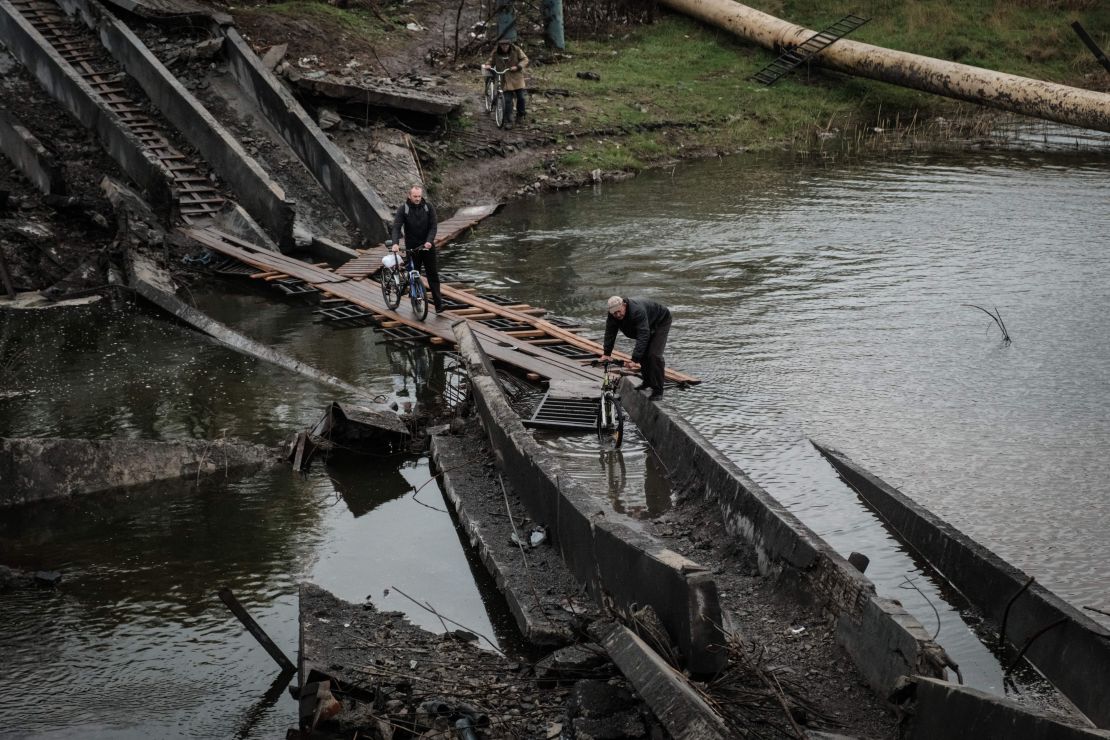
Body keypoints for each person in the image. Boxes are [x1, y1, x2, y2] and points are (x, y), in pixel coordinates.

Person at [600, 296, 672, 400]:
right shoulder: (612, 316)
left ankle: (658, 390)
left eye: (619, 311)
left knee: (654, 355)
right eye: (614, 313)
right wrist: (606, 353)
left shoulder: (637, 311)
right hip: (647, 324)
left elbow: (643, 335)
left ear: (624, 305)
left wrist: (634, 359)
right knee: (643, 352)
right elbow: (610, 333)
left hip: (660, 321)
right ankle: (647, 382)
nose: (617, 315)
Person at [390, 185, 443, 313]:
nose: (418, 199)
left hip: (427, 246)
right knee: (414, 275)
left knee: (433, 275)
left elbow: (433, 227)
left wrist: (429, 241)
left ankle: (439, 305)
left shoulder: (428, 207)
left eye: (419, 196)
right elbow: (396, 227)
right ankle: (416, 301)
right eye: (415, 196)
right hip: (412, 247)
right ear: (409, 196)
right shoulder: (404, 209)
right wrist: (395, 243)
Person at [482, 38, 529, 127]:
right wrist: (488, 65)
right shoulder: (496, 52)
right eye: (502, 45)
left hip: (516, 78)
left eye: (506, 45)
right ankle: (509, 120)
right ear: (499, 46)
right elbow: (490, 60)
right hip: (504, 79)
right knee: (507, 100)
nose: (504, 47)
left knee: (521, 98)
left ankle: (520, 115)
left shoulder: (516, 50)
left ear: (509, 45)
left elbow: (525, 59)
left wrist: (518, 66)